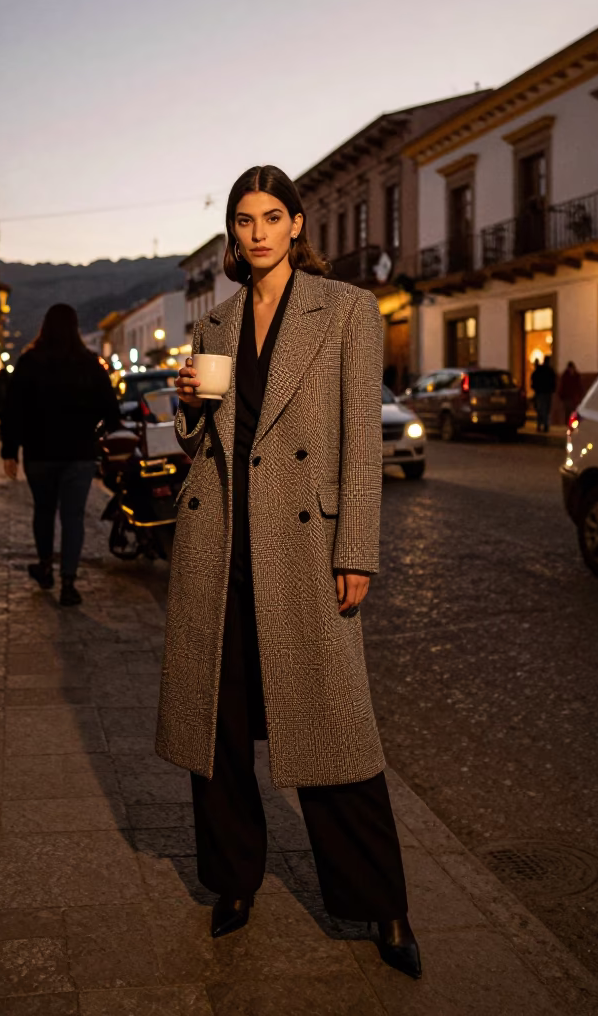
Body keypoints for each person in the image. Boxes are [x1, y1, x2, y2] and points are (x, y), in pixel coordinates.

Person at [157, 165, 421, 980]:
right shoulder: (217, 321)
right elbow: (196, 443)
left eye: (274, 216)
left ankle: (382, 903)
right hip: (218, 543)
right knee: (221, 724)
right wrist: (188, 410)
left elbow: (360, 438)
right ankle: (232, 882)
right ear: (234, 232)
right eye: (244, 218)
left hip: (303, 546)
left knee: (332, 724)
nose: (258, 231)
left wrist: (358, 551)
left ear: (299, 225)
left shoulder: (344, 310)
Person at [1, 303, 120, 607]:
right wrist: (93, 435)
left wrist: (10, 450)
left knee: (43, 511)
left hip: (39, 452)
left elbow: (13, 409)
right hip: (79, 454)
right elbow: (112, 412)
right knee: (73, 517)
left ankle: (44, 566)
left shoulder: (29, 362)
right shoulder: (90, 364)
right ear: (76, 328)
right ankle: (69, 581)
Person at [531, 355, 556, 432]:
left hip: (540, 392)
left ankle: (540, 425)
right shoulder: (550, 370)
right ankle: (545, 425)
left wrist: (535, 388)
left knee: (541, 409)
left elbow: (533, 378)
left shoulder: (540, 370)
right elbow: (553, 381)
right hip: (546, 392)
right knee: (545, 410)